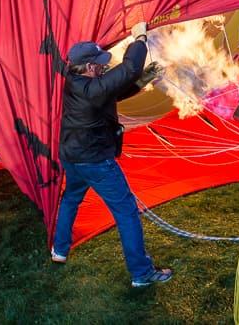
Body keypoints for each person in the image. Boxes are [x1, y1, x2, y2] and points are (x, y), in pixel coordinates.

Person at [51, 21, 173, 288]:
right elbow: (127, 69)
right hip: (96, 161)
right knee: (127, 213)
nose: (103, 66)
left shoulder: (75, 81)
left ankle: (59, 249)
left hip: (72, 155)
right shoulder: (92, 87)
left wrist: (145, 78)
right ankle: (141, 273)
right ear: (89, 67)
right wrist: (140, 38)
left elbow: (113, 89)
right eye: (99, 64)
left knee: (71, 198)